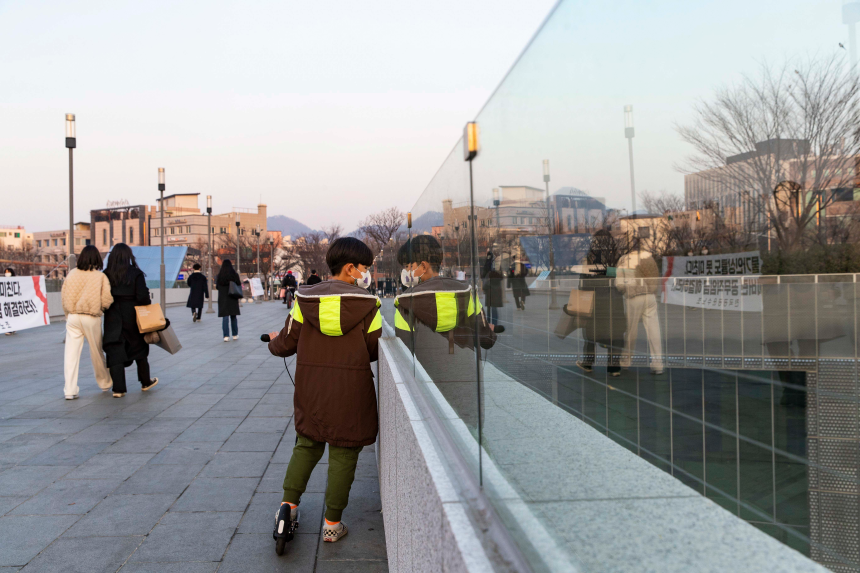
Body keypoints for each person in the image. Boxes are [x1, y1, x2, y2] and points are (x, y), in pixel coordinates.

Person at [267, 237, 379, 546]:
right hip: (352, 391)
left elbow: (287, 342)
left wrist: (272, 342)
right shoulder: (368, 305)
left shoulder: (304, 300)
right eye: (365, 268)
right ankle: (332, 524)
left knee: (307, 444)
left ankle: (287, 508)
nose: (366, 273)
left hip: (312, 388)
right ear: (350, 268)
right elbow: (373, 348)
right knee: (344, 453)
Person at [393, 236, 497, 429]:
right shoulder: (467, 293)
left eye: (408, 266)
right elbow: (486, 340)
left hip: (427, 387)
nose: (405, 272)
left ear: (423, 266)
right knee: (469, 436)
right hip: (467, 381)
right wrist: (488, 331)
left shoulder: (405, 303)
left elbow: (402, 353)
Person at [103, 243, 158, 398]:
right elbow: (143, 298)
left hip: (112, 314)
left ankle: (118, 389)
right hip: (133, 314)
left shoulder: (106, 274)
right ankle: (145, 381)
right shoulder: (136, 273)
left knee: (114, 348)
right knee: (139, 347)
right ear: (129, 256)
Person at [60, 246, 114, 399]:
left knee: (70, 354)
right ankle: (104, 383)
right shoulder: (100, 276)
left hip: (73, 317)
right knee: (96, 352)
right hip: (91, 317)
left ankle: (69, 390)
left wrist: (67, 315)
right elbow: (107, 299)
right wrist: (101, 309)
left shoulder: (71, 274)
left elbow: (63, 297)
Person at [615, 255, 664, 375]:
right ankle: (658, 364)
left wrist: (625, 290)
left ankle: (626, 361)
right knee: (654, 330)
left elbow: (619, 283)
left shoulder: (624, 259)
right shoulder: (649, 258)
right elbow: (655, 275)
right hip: (650, 296)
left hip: (634, 296)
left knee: (631, 330)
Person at [481, 251, 506, 333]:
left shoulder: (487, 264)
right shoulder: (497, 265)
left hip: (490, 289)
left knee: (490, 307)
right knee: (492, 308)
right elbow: (501, 277)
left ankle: (489, 324)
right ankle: (493, 325)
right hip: (494, 289)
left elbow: (483, 275)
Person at [216, 259, 241, 341]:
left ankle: (226, 336)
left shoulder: (219, 276)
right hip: (232, 297)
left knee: (225, 317)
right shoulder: (234, 275)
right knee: (233, 316)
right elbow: (239, 284)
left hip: (223, 298)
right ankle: (235, 334)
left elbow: (217, 287)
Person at [4, 268, 16, 335]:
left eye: (8, 272)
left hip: (12, 301)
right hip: (6, 301)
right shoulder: (3, 281)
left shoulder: (14, 280)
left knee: (11, 314)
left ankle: (11, 329)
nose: (7, 273)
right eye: (5, 272)